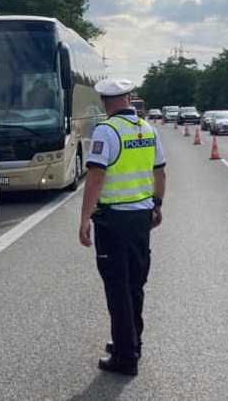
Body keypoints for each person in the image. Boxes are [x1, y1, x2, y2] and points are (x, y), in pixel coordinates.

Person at [78, 78, 166, 376]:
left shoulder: (107, 130)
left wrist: (84, 218)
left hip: (113, 220)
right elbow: (160, 172)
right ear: (128, 98)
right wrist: (157, 204)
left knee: (117, 288)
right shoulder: (148, 129)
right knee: (135, 284)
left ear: (105, 101)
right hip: (141, 218)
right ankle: (132, 342)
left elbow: (96, 176)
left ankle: (125, 357)